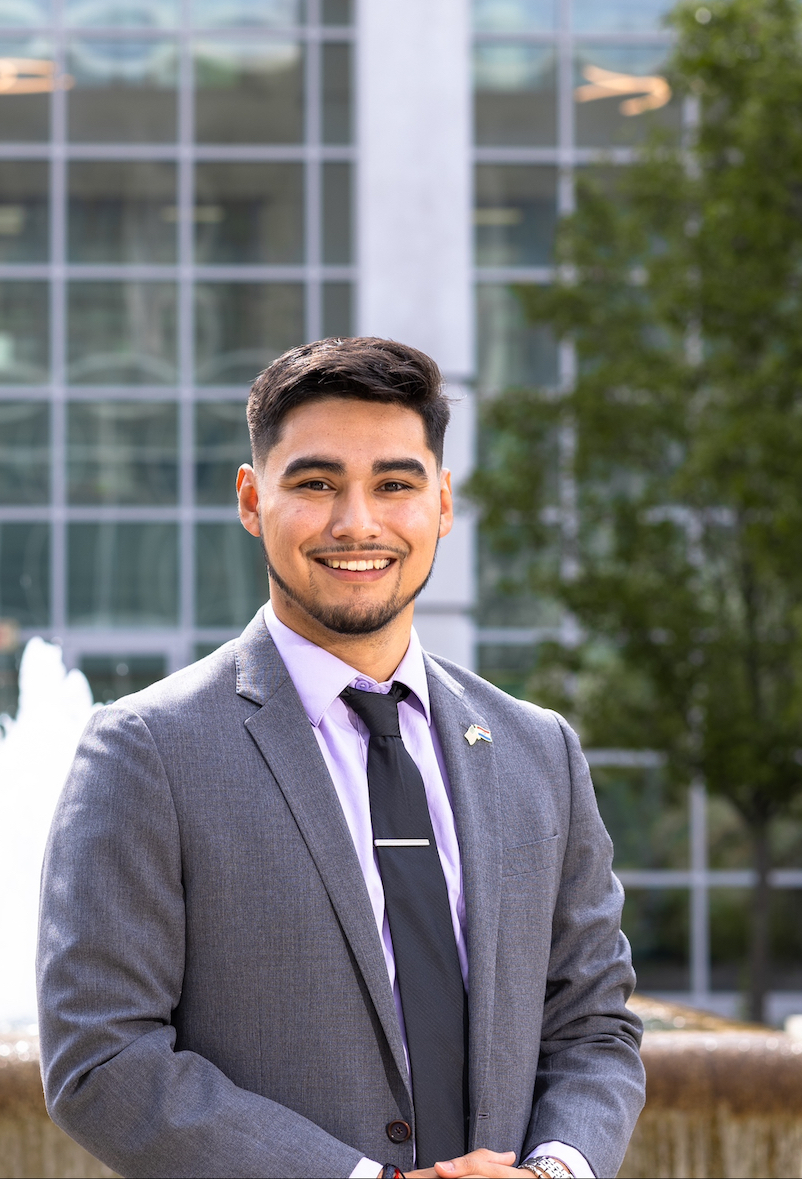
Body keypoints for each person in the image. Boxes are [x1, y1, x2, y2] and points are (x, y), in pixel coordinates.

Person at [37, 337, 644, 1179]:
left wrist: (553, 1171)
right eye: (316, 484)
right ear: (253, 499)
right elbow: (101, 1061)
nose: (357, 523)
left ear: (441, 503)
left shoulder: (537, 750)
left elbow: (594, 1026)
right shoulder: (147, 752)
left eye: (394, 485)